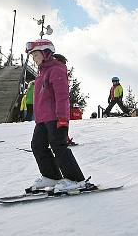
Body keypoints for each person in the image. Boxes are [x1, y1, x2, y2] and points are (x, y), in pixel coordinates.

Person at [25, 39, 90, 194]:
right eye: (32, 56)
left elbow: (62, 97)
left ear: (46, 53)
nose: (34, 59)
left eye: (35, 55)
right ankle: (51, 176)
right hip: (42, 119)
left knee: (58, 146)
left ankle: (76, 179)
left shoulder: (56, 69)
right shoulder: (42, 73)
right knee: (37, 146)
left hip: (55, 117)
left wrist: (62, 119)